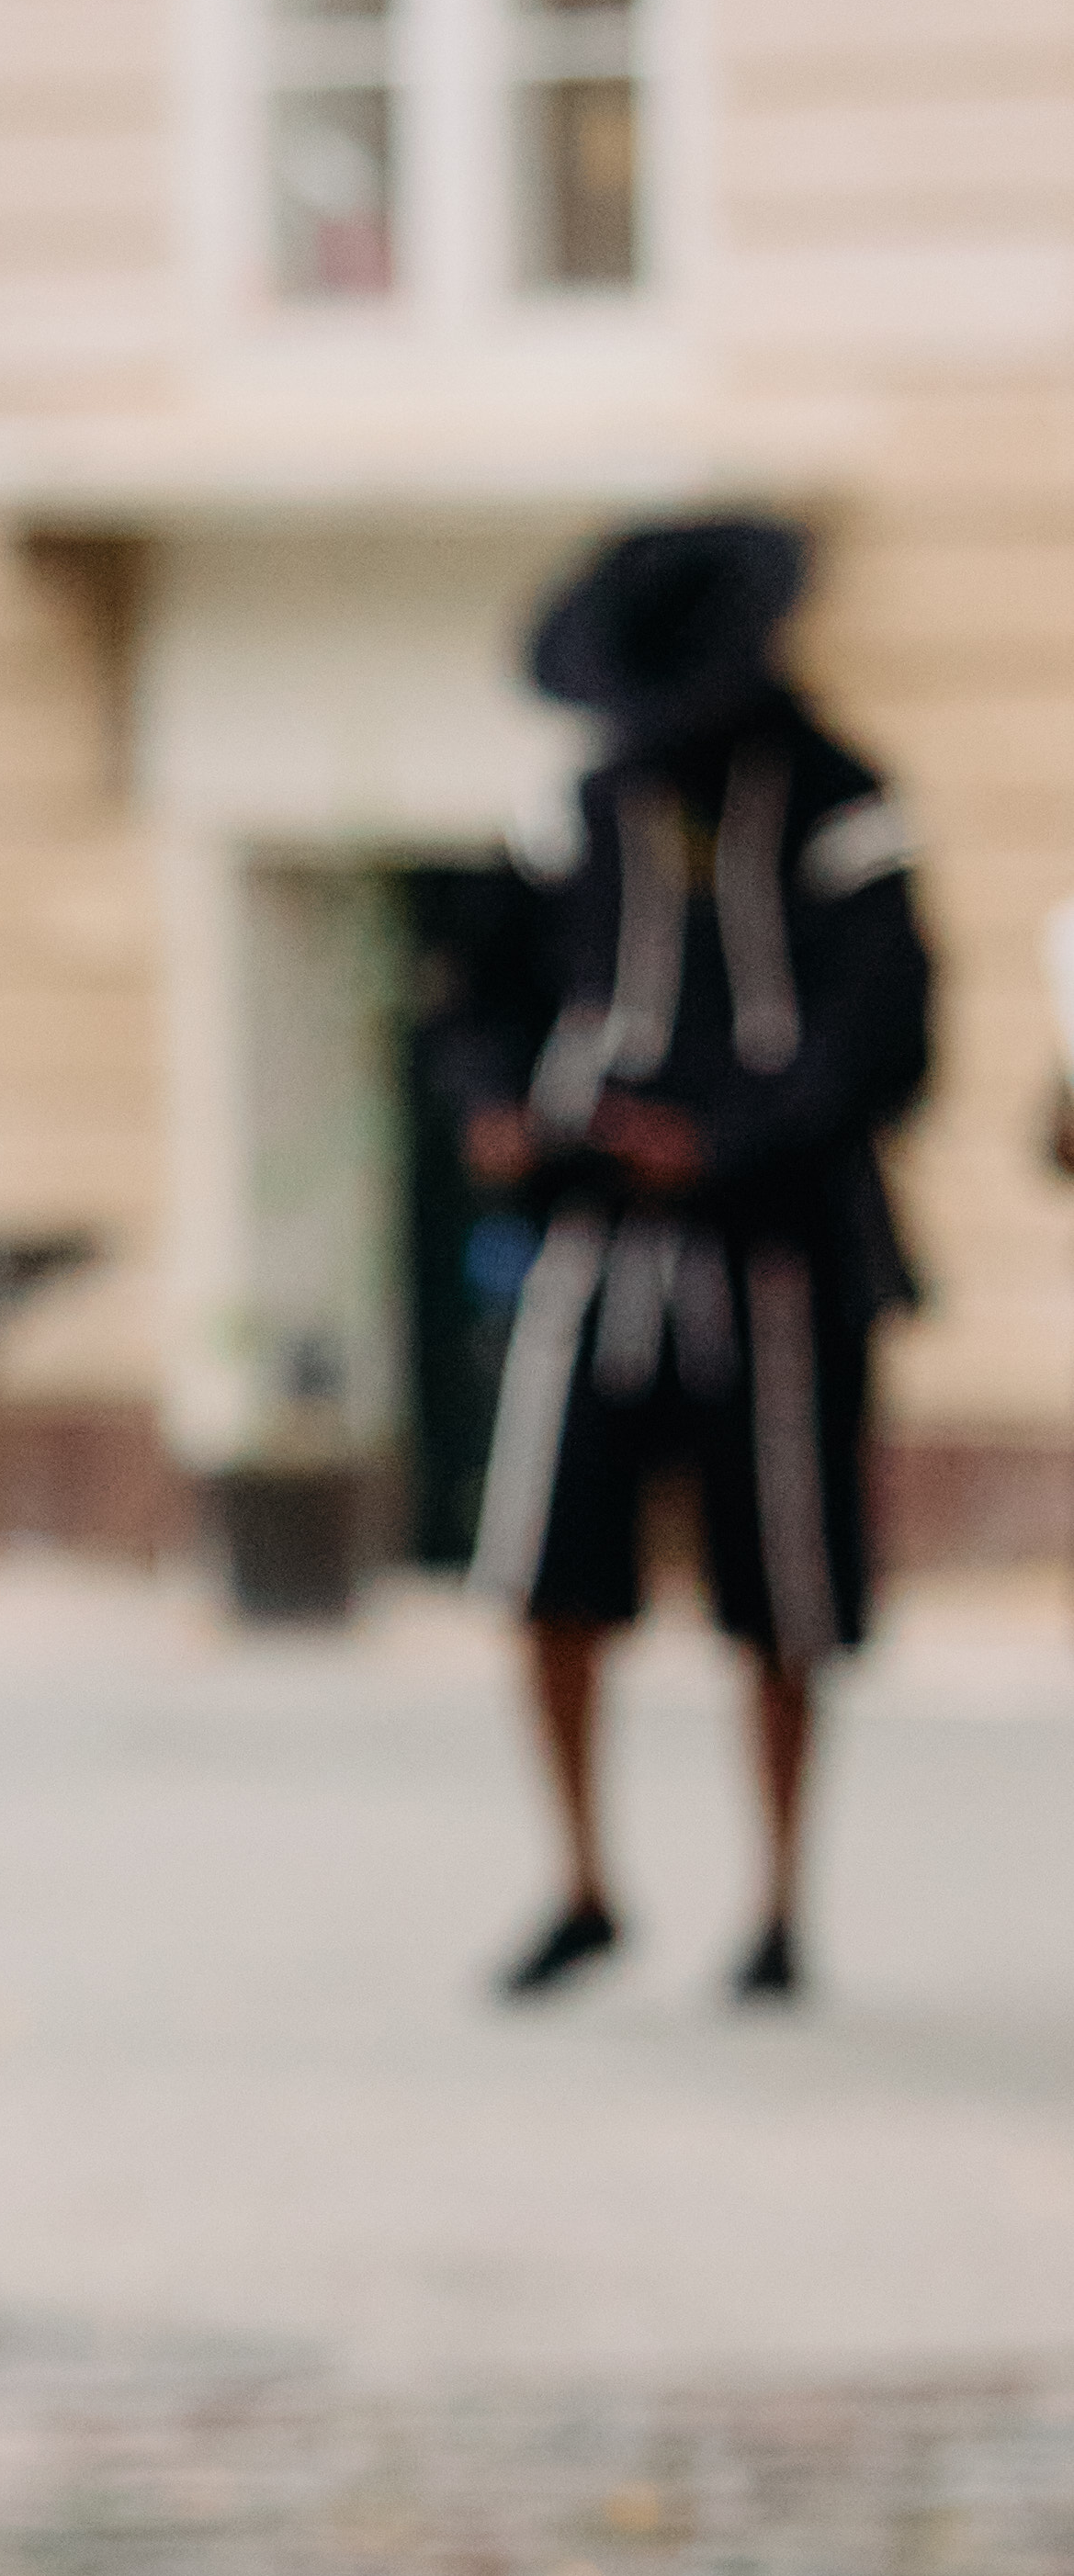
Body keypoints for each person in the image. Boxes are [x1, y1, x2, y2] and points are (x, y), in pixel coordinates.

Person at [446, 514, 933, 2005]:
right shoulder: (572, 806)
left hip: (779, 1246)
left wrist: (726, 1141)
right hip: (595, 1242)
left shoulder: (843, 804)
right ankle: (582, 1879)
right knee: (548, 1567)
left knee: (782, 1580)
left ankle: (781, 1902)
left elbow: (889, 1037)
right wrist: (494, 1113)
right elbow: (473, 995)